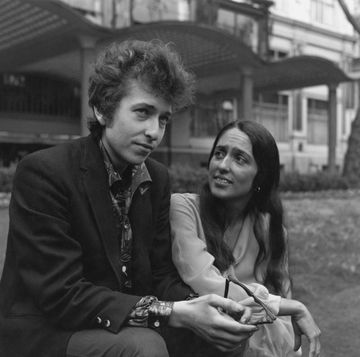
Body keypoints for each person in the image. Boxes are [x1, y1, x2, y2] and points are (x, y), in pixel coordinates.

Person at [0, 41, 258, 357]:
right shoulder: (44, 173)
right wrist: (172, 313)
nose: (154, 131)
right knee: (144, 348)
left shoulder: (157, 178)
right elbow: (61, 295)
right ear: (102, 109)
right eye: (143, 113)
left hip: (125, 319)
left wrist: (204, 306)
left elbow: (161, 276)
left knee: (222, 333)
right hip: (48, 330)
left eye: (163, 119)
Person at [170, 120, 321, 357]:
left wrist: (278, 310)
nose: (222, 165)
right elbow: (203, 281)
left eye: (239, 158)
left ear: (260, 176)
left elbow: (284, 320)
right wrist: (285, 307)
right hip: (201, 343)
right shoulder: (183, 208)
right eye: (219, 153)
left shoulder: (271, 231)